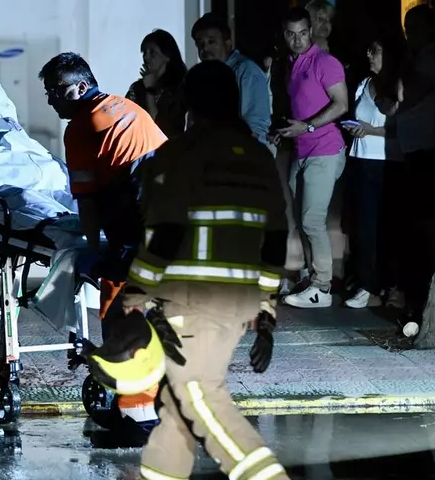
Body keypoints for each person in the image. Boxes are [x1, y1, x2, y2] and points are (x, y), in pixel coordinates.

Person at [119, 59, 288, 480]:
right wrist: (266, 316)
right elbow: (275, 240)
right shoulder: (258, 157)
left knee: (197, 396)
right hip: (237, 302)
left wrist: (135, 292)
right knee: (176, 407)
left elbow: (165, 233)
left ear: (191, 103)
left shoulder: (179, 155)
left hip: (191, 301)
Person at [39, 51, 166, 440]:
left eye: (56, 91)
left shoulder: (81, 126)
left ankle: (139, 422)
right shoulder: (126, 108)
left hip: (142, 230)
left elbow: (88, 200)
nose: (51, 100)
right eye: (48, 92)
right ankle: (141, 411)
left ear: (81, 87)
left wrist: (95, 250)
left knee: (124, 321)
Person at [273, 7, 349, 309]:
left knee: (312, 220)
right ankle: (311, 277)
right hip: (302, 150)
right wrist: (285, 130)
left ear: (310, 32)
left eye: (303, 33)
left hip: (325, 149)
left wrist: (308, 126)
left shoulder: (325, 62)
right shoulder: (291, 63)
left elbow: (341, 104)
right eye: (291, 34)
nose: (297, 39)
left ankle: (322, 287)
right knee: (302, 219)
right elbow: (301, 105)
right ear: (284, 35)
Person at [393, 3, 435, 332]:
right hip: (416, 150)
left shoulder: (430, 60)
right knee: (417, 223)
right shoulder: (418, 59)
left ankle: (429, 294)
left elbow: (404, 96)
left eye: (414, 29)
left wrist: (401, 71)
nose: (409, 35)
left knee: (427, 223)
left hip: (429, 150)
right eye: (407, 29)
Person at [340, 35, 405, 309]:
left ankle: (388, 286)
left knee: (386, 228)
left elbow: (400, 127)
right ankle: (368, 285)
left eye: (375, 51)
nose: (369, 55)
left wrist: (370, 130)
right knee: (362, 227)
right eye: (368, 50)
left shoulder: (397, 86)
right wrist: (355, 129)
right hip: (360, 159)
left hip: (387, 161)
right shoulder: (363, 84)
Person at [191, 12, 272, 146]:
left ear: (228, 43)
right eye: (200, 44)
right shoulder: (202, 76)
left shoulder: (247, 71)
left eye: (211, 41)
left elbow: (255, 126)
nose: (205, 48)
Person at [127, 29, 188, 138]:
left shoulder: (180, 88)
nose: (146, 57)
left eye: (152, 53)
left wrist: (149, 91)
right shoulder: (137, 88)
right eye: (144, 53)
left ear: (167, 56)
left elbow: (162, 128)